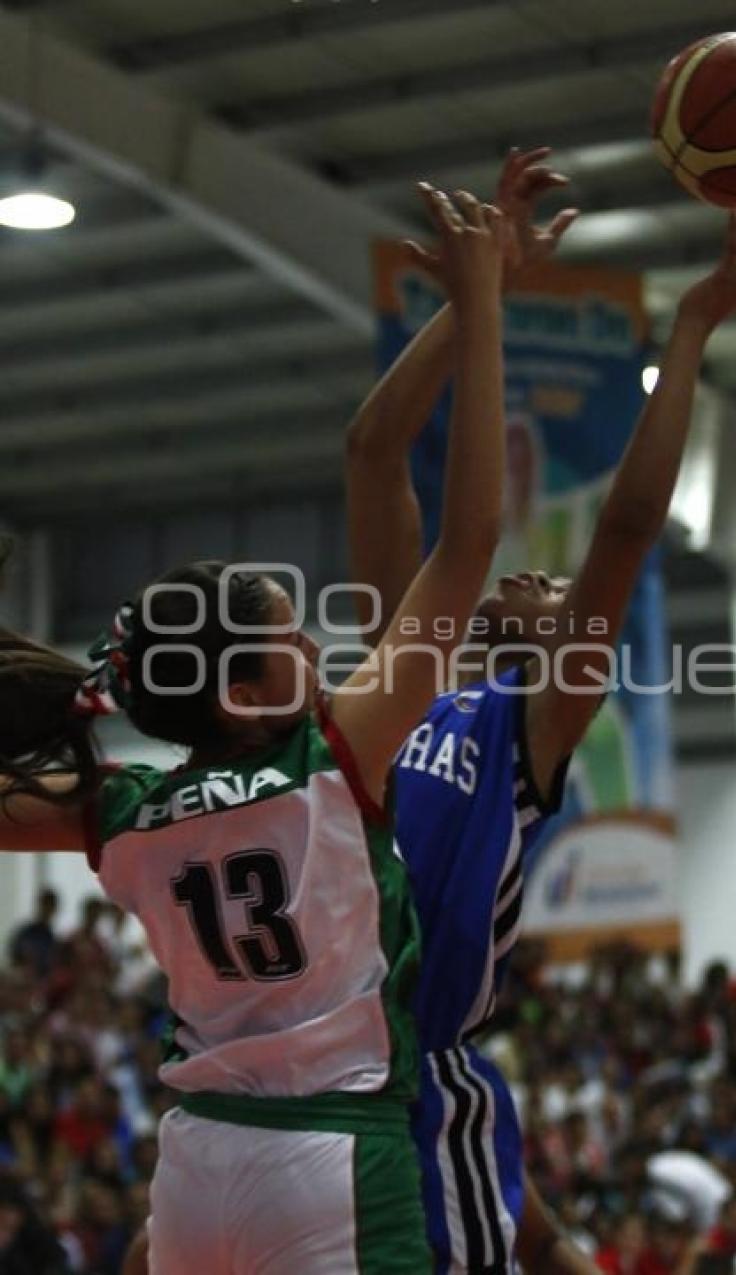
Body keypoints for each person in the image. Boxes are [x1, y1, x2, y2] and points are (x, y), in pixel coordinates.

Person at [0, 184, 512, 1274]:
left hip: (191, 1171)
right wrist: (482, 307)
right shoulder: (333, 761)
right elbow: (467, 539)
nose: (318, 640)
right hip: (329, 1163)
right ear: (241, 694)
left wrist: (473, 302)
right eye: (291, 632)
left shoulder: (123, 813)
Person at [346, 159, 736, 1273]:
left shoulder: (523, 734)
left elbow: (628, 526)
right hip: (311, 1071)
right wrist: (471, 299)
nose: (538, 588)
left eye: (555, 595)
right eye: (529, 583)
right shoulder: (408, 667)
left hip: (414, 1069)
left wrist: (686, 328)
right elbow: (374, 452)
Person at [7, 887, 59, 980]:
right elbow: (14, 959)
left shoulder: (52, 939)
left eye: (50, 905)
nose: (47, 909)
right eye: (45, 904)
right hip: (24, 982)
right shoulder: (25, 933)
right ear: (39, 905)